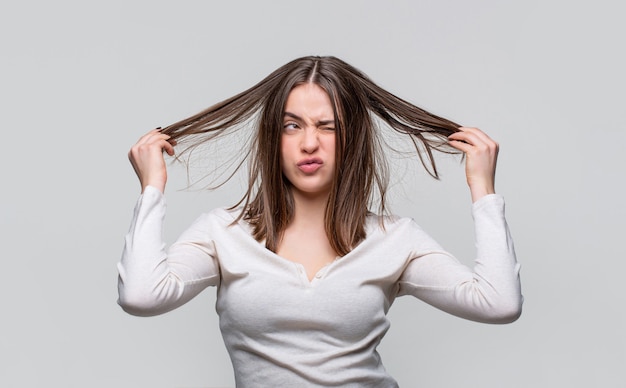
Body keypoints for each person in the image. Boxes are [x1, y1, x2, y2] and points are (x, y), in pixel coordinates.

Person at [117, 55, 522, 387]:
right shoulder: (223, 234)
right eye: (292, 126)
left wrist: (482, 189)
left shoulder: (395, 239)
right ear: (272, 138)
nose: (308, 143)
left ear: (353, 138)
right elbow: (140, 296)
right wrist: (152, 188)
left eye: (327, 127)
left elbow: (499, 303)